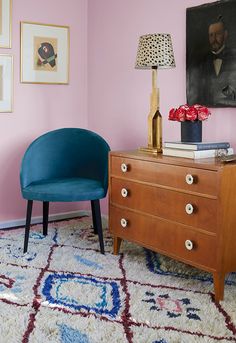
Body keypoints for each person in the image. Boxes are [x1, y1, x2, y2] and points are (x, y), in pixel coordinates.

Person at [198, 16, 236, 106]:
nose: (214, 39)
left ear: (225, 34)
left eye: (218, 34)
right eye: (211, 35)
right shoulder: (203, 61)